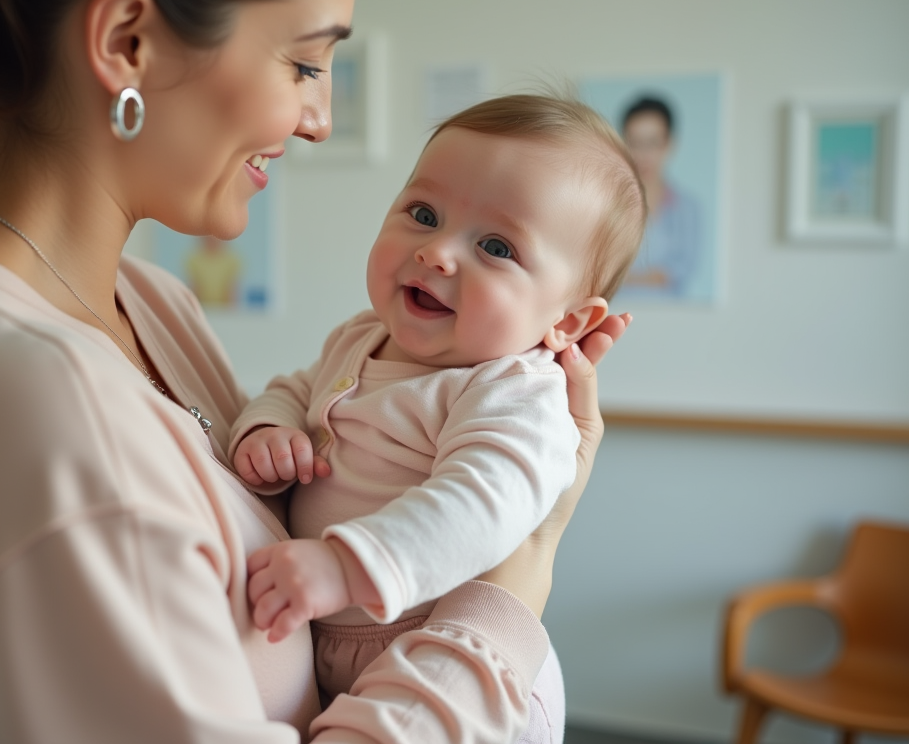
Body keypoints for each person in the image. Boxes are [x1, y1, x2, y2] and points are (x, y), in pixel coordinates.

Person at [0, 0, 629, 742]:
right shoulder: (43, 413)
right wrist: (514, 590)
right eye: (303, 61)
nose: (320, 118)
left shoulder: (143, 303)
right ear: (127, 42)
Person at [229, 96, 645, 713]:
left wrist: (348, 567)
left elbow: (484, 502)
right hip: (337, 641)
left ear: (568, 321)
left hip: (457, 660)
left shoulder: (514, 391)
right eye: (423, 213)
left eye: (497, 248)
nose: (437, 252)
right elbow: (296, 386)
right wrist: (271, 425)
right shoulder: (362, 334)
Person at [619, 96, 704, 298]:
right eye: (635, 143)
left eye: (652, 143)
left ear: (668, 144)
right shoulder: (606, 205)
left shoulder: (688, 207)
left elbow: (681, 271)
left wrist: (628, 278)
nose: (643, 154)